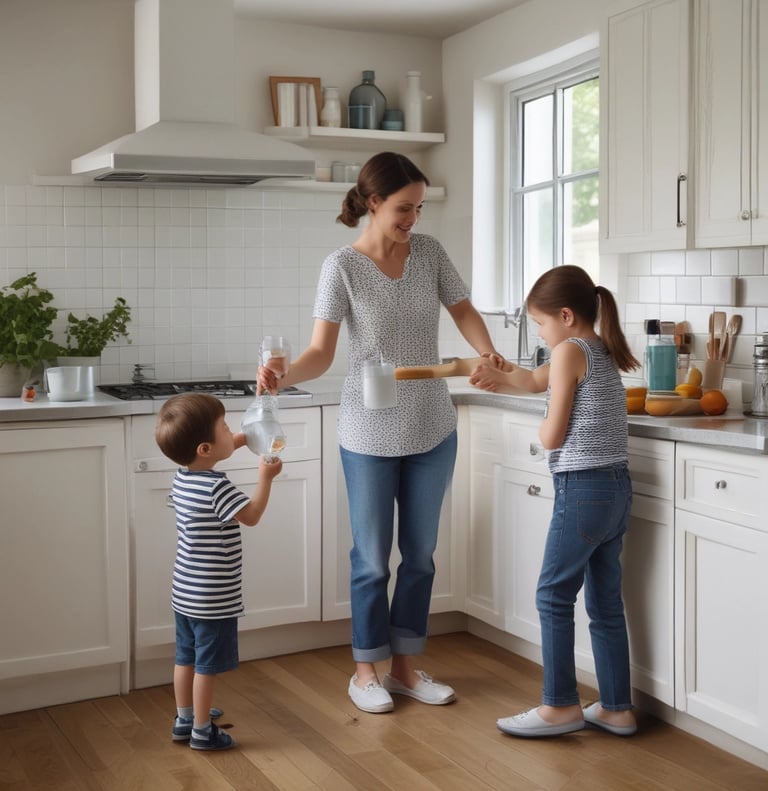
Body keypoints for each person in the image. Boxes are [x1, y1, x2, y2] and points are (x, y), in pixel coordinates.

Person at [257, 151, 502, 714]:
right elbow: (321, 353)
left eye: (418, 207)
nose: (413, 217)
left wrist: (486, 351)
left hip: (433, 425)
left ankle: (406, 668)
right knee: (371, 558)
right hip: (368, 430)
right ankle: (364, 670)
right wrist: (282, 377)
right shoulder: (339, 266)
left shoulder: (431, 253)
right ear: (373, 203)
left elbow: (463, 311)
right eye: (403, 207)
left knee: (420, 556)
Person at [470, 265, 640, 738]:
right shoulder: (599, 349)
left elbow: (552, 434)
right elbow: (533, 381)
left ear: (565, 316)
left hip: (581, 490)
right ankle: (617, 708)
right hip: (615, 490)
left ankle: (560, 706)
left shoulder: (567, 352)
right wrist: (501, 376)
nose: (541, 334)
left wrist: (539, 424)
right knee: (605, 603)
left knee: (552, 595)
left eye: (541, 324)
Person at [155, 393, 283, 750]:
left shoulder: (183, 478)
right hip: (214, 597)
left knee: (186, 657)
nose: (232, 432)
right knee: (206, 666)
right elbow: (252, 516)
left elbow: (218, 449)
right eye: (226, 427)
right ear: (205, 449)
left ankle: (183, 718)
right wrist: (266, 477)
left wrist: (245, 437)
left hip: (184, 590)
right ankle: (202, 730)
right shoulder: (217, 487)